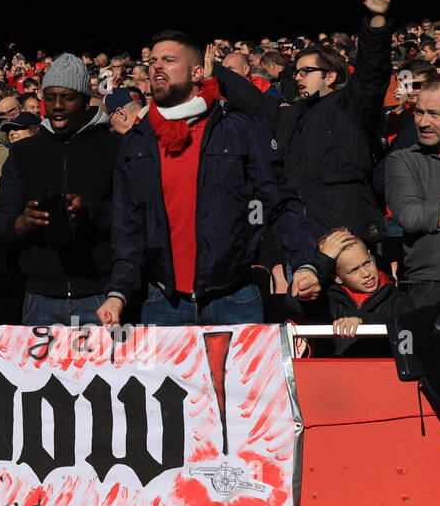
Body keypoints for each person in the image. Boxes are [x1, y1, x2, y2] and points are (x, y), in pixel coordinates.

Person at [104, 31, 324, 326]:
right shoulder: (138, 140)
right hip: (161, 302)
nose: (157, 66)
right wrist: (119, 291)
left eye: (169, 60)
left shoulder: (238, 129)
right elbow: (126, 224)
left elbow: (280, 201)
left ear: (198, 72)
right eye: (153, 60)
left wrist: (304, 263)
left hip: (234, 300)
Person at [211, 0, 394, 246]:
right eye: (297, 71)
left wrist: (377, 20)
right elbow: (252, 99)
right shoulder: (290, 112)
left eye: (307, 71)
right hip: (303, 241)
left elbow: (373, 72)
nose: (298, 77)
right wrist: (216, 71)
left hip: (349, 236)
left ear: (330, 76)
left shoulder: (352, 106)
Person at [0, 54, 122, 326]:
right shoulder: (22, 152)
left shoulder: (114, 148)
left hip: (99, 296)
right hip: (38, 298)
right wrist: (21, 223)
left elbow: (132, 216)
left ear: (86, 101)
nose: (58, 106)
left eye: (68, 97)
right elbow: (2, 217)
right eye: (50, 97)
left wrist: (92, 213)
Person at [385, 77, 440, 305]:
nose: (423, 122)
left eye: (434, 114)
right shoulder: (403, 160)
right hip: (430, 287)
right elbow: (411, 217)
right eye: (418, 112)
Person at [317, 227, 414, 356]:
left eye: (367, 263)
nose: (366, 273)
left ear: (370, 255)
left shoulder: (395, 297)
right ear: (337, 278)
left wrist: (363, 320)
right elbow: (295, 303)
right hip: (339, 373)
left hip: (383, 371)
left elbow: (410, 324)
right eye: (354, 270)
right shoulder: (328, 298)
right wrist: (323, 261)